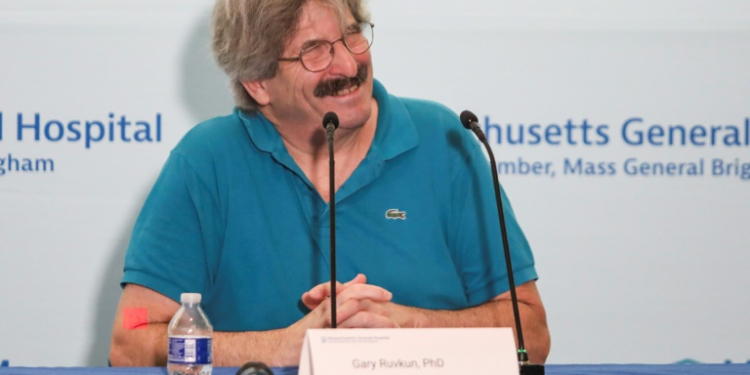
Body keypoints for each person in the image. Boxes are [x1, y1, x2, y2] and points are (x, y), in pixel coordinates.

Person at [109, 0, 550, 367]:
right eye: (314, 50)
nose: (350, 62)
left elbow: (531, 332)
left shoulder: (445, 141)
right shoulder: (205, 161)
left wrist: (404, 326)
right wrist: (286, 346)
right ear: (259, 83)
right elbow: (132, 339)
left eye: (352, 33)